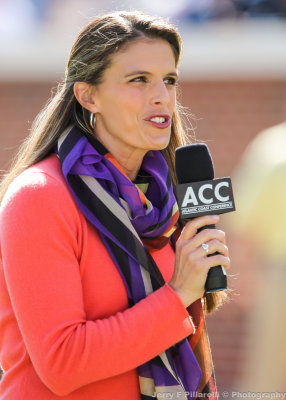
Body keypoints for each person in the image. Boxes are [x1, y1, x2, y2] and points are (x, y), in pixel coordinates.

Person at [0, 11, 230, 400]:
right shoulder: (39, 196)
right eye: (139, 80)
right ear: (88, 95)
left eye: (169, 80)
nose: (162, 96)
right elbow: (62, 363)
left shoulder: (166, 198)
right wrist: (176, 296)